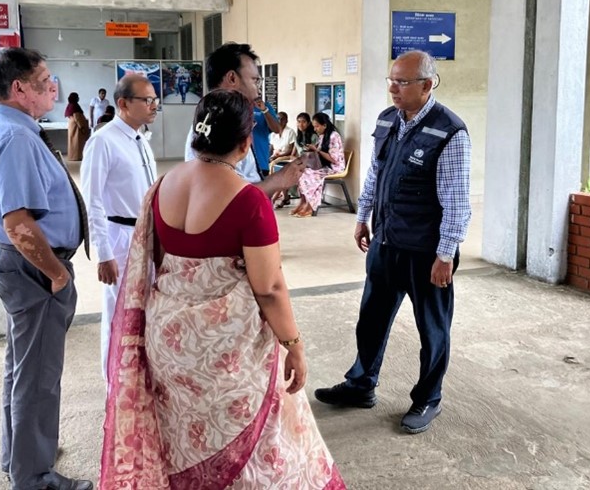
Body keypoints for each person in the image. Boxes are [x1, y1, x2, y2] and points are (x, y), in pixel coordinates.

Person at [100, 90, 345, 488]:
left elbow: (161, 263)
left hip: (170, 340)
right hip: (228, 349)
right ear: (246, 143)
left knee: (182, 436)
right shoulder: (249, 202)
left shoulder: (162, 186)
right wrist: (294, 344)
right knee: (256, 444)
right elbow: (269, 287)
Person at [314, 50, 471, 435]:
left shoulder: (449, 131)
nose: (393, 88)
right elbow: (375, 174)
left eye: (402, 82)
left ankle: (428, 398)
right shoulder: (388, 120)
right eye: (391, 80)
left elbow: (457, 200)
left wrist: (445, 254)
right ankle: (361, 385)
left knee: (432, 328)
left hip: (426, 252)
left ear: (427, 84)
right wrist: (362, 216)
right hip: (386, 242)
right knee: (371, 319)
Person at [0, 47, 92, 490]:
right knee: (38, 377)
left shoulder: (11, 128)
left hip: (24, 267)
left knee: (22, 369)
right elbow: (19, 225)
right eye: (44, 80)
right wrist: (58, 275)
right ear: (19, 88)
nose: (53, 87)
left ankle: (21, 453)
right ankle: (35, 476)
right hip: (34, 267)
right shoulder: (17, 138)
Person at [81, 74, 158, 380]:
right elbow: (93, 200)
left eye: (155, 100)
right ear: (124, 104)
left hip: (145, 236)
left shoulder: (140, 140)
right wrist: (103, 253)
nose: (154, 106)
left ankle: (137, 381)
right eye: (147, 100)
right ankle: (114, 384)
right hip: (120, 239)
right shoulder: (103, 141)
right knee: (118, 314)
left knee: (144, 311)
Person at [184, 42, 303, 196]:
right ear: (232, 78)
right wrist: (280, 179)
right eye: (255, 80)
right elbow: (226, 196)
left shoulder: (228, 118)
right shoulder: (216, 126)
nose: (258, 89)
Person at [290, 112, 345, 218]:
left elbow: (334, 159)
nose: (315, 129)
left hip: (334, 167)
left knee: (311, 176)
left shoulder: (334, 136)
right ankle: (303, 203)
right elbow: (319, 151)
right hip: (325, 166)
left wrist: (317, 150)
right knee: (301, 172)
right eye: (314, 126)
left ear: (324, 125)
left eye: (317, 126)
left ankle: (310, 206)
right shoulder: (322, 136)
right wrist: (312, 148)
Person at [65, 92, 89, 161]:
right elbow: (77, 117)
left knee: (72, 141)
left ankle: (72, 156)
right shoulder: (74, 106)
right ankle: (76, 156)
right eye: (77, 97)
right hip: (76, 127)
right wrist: (82, 127)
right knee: (77, 142)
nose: (78, 98)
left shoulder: (70, 105)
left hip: (72, 125)